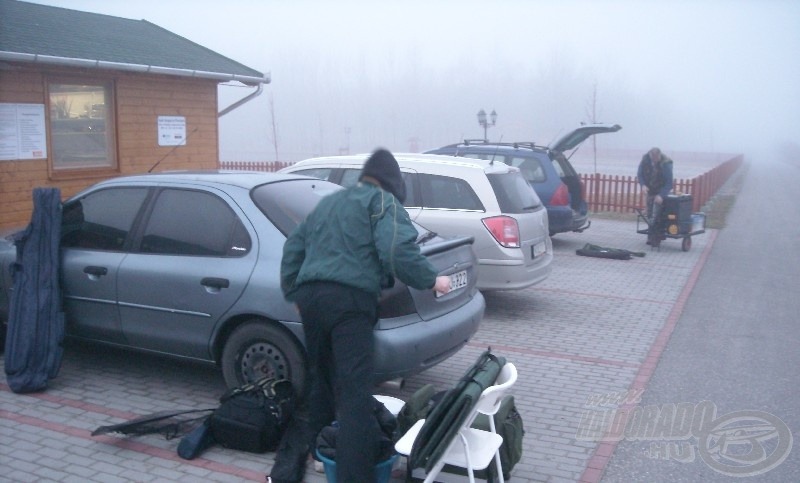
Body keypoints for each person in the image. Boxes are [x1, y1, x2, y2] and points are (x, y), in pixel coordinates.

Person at [275, 148, 452, 482]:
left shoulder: (330, 204)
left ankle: (319, 453)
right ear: (394, 184)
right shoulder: (384, 202)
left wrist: (295, 293)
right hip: (350, 302)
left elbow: (293, 247)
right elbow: (396, 249)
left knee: (322, 381)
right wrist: (432, 280)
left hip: (313, 300)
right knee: (354, 392)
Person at [637, 147, 674, 246]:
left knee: (658, 214)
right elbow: (640, 174)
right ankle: (651, 235)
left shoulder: (666, 164)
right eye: (652, 159)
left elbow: (669, 183)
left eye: (656, 159)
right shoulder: (645, 160)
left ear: (659, 156)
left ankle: (657, 236)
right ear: (650, 156)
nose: (654, 161)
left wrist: (661, 196)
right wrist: (643, 185)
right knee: (649, 214)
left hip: (662, 190)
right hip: (650, 190)